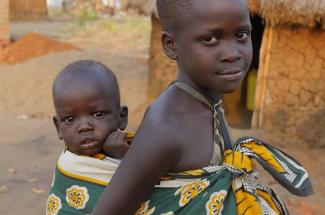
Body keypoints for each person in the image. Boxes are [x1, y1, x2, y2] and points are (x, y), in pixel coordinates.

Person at [93, 0, 312, 215]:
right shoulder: (167, 126)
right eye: (210, 39)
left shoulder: (208, 104)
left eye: (241, 35)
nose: (232, 53)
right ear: (171, 45)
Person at [46, 60, 131, 215]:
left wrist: (123, 157)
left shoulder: (140, 148)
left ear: (122, 117)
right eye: (70, 119)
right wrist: (125, 163)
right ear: (58, 127)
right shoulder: (69, 169)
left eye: (98, 114)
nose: (84, 127)